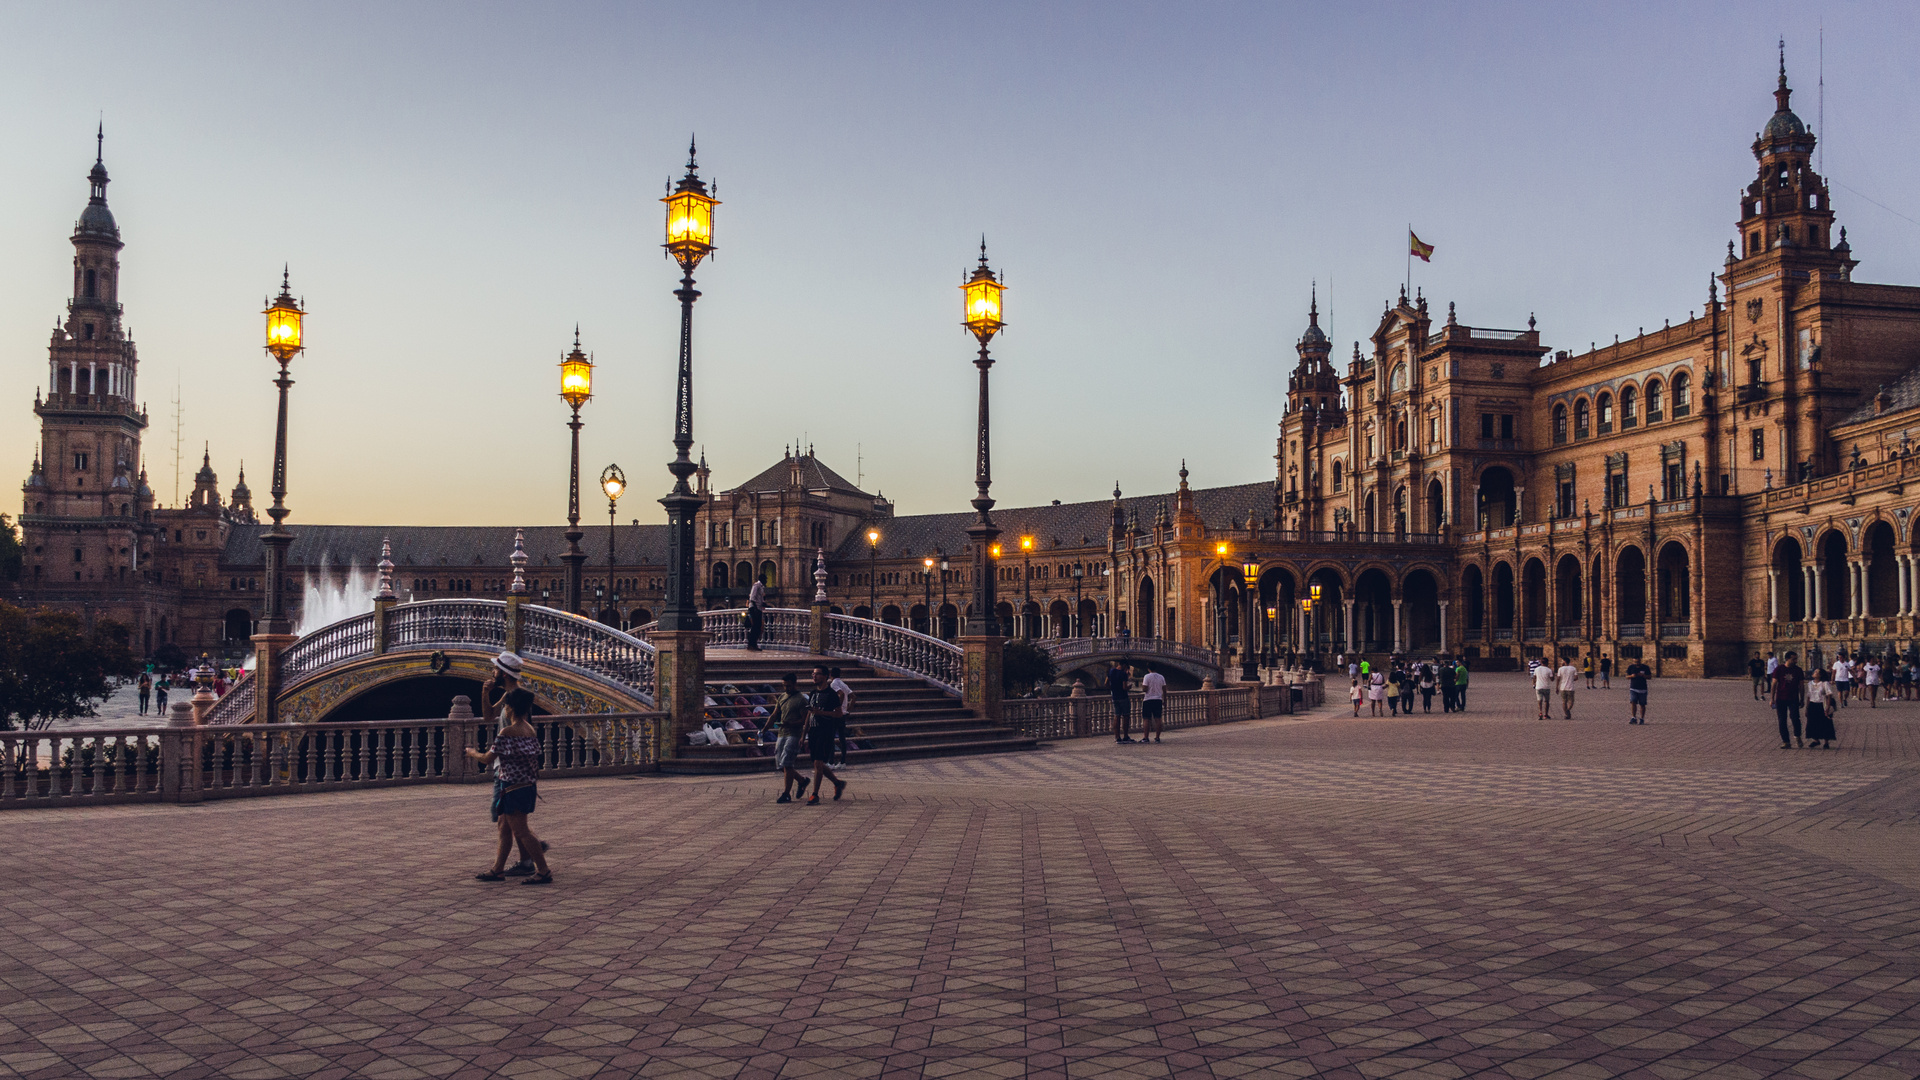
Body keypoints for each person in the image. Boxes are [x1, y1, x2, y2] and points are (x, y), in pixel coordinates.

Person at [468, 652, 553, 885]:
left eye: (495, 670)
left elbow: (492, 750)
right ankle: (505, 866)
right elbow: (488, 716)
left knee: (513, 823)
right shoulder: (511, 695)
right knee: (507, 821)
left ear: (503, 673)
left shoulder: (516, 699)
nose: (492, 673)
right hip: (514, 772)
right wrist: (485, 693)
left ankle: (534, 859)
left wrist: (472, 753)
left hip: (509, 772)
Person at [805, 666, 847, 803]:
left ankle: (815, 794)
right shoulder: (812, 693)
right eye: (813, 673)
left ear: (825, 676)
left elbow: (839, 714)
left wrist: (822, 713)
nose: (814, 676)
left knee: (818, 762)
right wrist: (803, 733)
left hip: (825, 731)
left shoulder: (831, 694)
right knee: (818, 764)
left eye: (817, 674)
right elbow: (809, 714)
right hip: (813, 731)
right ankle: (837, 782)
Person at [767, 673, 811, 803]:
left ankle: (786, 793)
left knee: (787, 763)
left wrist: (791, 724)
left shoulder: (801, 700)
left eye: (789, 686)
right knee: (781, 765)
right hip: (782, 733)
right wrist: (764, 729)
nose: (786, 688)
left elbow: (804, 719)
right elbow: (774, 715)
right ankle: (802, 781)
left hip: (794, 734)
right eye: (784, 686)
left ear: (795, 684)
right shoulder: (782, 697)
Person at [1771, 651, 1806, 748]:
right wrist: (1772, 699)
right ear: (1787, 659)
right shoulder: (1779, 669)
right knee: (1782, 720)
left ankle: (1797, 736)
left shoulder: (1798, 670)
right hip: (1780, 698)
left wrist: (1802, 699)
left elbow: (1801, 685)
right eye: (1793, 659)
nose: (1795, 661)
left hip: (1793, 698)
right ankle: (1786, 741)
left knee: (1795, 718)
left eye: (1796, 659)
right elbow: (1774, 684)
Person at [829, 666, 855, 765]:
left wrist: (838, 707)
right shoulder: (843, 684)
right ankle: (843, 761)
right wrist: (847, 709)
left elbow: (841, 694)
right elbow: (853, 697)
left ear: (831, 675)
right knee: (842, 738)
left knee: (831, 737)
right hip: (843, 714)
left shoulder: (834, 684)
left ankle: (831, 761)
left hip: (836, 714)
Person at [1805, 667, 1837, 749]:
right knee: (1812, 722)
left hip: (1822, 704)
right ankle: (1816, 740)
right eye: (1814, 671)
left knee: (1825, 723)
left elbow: (1829, 695)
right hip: (1813, 704)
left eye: (1816, 672)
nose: (1814, 673)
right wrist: (1807, 707)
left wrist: (1828, 707)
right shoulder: (1810, 684)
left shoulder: (1825, 683)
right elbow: (1809, 696)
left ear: (1820, 675)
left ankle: (1826, 742)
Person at [1107, 660, 1134, 743]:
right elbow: (1124, 687)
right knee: (1126, 716)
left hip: (1115, 697)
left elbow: (1106, 683)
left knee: (1117, 716)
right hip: (1123, 697)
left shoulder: (1111, 671)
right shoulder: (1123, 674)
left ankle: (1117, 737)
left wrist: (1113, 689)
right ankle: (1125, 736)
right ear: (1124, 665)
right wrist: (1129, 687)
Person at [1140, 668, 1166, 742]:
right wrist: (1165, 700)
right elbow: (1164, 689)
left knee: (1146, 719)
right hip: (1158, 700)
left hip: (1148, 699)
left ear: (1148, 669)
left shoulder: (1147, 676)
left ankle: (1146, 737)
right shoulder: (1161, 677)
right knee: (1158, 719)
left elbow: (1144, 689)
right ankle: (1157, 738)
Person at [1626, 658, 1651, 724]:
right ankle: (1633, 717)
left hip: (1643, 688)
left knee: (1642, 704)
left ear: (1640, 661)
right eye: (1635, 662)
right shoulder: (1631, 667)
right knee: (1633, 702)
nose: (1637, 663)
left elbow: (1650, 677)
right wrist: (1631, 676)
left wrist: (1643, 675)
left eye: (1638, 661)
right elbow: (1626, 676)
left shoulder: (1645, 667)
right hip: (1633, 688)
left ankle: (1642, 718)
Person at [745, 577, 766, 651]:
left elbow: (759, 598)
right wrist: (755, 608)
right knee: (755, 627)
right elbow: (752, 597)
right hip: (755, 608)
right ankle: (751, 644)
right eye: (765, 579)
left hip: (758, 608)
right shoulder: (756, 585)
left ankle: (754, 644)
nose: (766, 580)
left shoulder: (761, 587)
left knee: (758, 627)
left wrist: (763, 603)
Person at [1556, 655, 1579, 719]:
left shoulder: (1560, 669)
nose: (1561, 662)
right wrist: (1571, 679)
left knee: (1564, 702)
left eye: (1562, 661)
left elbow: (1558, 678)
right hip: (1570, 687)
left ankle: (1566, 714)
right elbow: (1576, 678)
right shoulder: (1573, 668)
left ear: (1564, 661)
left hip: (1562, 687)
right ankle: (1568, 710)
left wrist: (1556, 687)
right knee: (1571, 701)